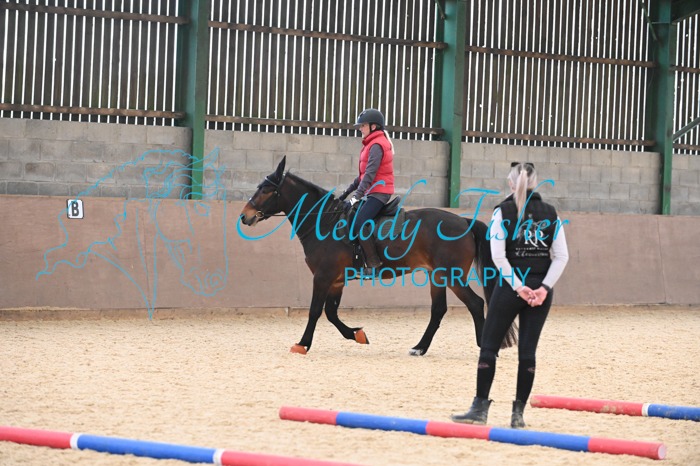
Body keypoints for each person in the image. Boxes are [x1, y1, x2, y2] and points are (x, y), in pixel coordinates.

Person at [451, 162, 569, 429]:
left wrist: (518, 287)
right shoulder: (551, 213)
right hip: (540, 291)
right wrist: (543, 288)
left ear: (511, 184)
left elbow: (498, 256)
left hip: (511, 288)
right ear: (535, 183)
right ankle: (518, 414)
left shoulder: (501, 212)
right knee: (528, 352)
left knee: (489, 347)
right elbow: (561, 256)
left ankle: (480, 408)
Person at [338, 108, 395, 271]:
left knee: (359, 223)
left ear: (373, 127)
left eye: (363, 125)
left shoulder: (376, 145)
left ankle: (373, 263)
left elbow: (369, 175)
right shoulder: (371, 144)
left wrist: (355, 197)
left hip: (380, 192)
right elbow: (362, 177)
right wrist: (345, 194)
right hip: (373, 191)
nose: (360, 129)